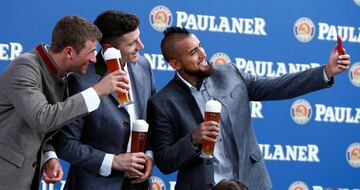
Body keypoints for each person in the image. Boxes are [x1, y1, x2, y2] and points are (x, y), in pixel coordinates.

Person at [147, 27, 350, 190]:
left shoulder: (229, 73)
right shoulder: (163, 102)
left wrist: (326, 71)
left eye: (200, 46)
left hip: (250, 184)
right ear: (175, 64)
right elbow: (165, 162)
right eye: (193, 52)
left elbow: (277, 86)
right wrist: (193, 139)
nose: (203, 54)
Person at [0, 15, 126, 190]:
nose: (94, 60)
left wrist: (49, 155)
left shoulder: (61, 73)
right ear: (68, 52)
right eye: (90, 52)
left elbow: (37, 127)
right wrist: (97, 91)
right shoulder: (25, 67)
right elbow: (41, 118)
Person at [53, 10, 156, 190]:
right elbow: (65, 144)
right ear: (109, 49)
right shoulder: (80, 80)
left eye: (139, 38)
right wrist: (113, 161)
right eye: (132, 43)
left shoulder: (143, 65)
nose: (141, 46)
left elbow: (153, 120)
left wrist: (149, 155)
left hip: (138, 183)